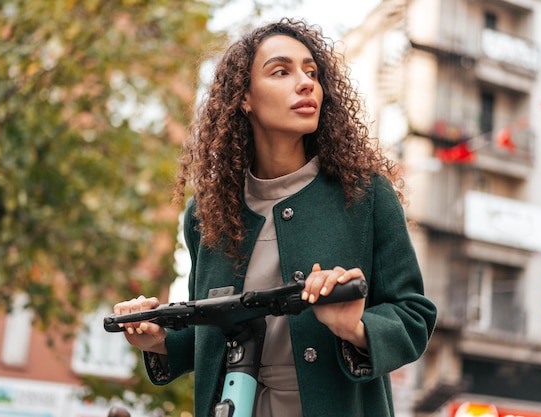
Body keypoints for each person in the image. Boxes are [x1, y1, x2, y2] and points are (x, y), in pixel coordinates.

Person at [113, 18, 437, 417]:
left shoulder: (366, 195)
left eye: (311, 72)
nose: (306, 83)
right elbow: (210, 334)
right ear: (244, 97)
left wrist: (355, 328)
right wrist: (158, 337)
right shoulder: (206, 216)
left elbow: (413, 315)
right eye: (281, 71)